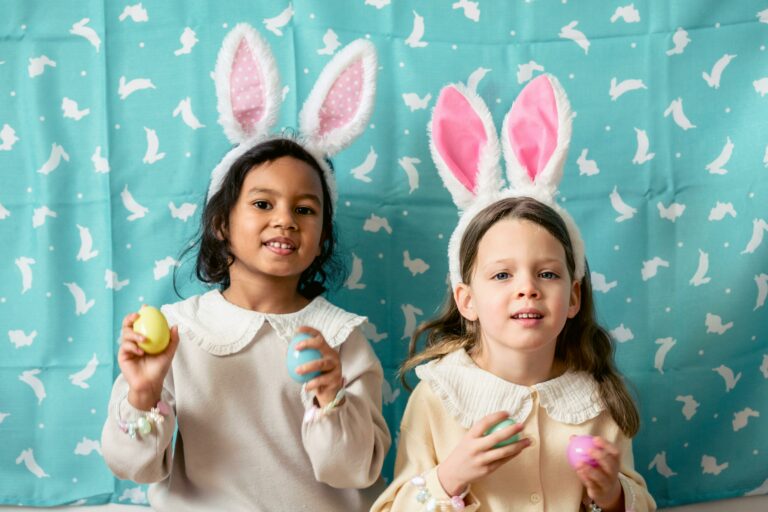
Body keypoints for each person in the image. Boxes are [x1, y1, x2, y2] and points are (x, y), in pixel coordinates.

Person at [101, 24, 390, 511]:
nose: (285, 219)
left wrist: (333, 398)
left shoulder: (339, 337)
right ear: (220, 224)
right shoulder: (177, 333)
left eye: (305, 209)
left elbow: (356, 470)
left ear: (322, 240)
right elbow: (135, 466)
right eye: (262, 203)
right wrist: (144, 393)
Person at [372, 75, 655, 511]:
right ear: (467, 301)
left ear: (574, 297)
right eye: (502, 276)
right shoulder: (438, 395)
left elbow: (638, 502)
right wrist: (450, 478)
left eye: (547, 274)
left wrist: (613, 495)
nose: (527, 289)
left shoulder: (598, 400)